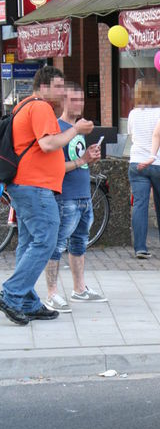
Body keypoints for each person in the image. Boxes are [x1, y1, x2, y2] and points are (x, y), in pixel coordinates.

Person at [0, 66, 94, 326]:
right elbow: (48, 143)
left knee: (29, 242)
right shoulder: (40, 106)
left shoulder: (26, 105)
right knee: (46, 240)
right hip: (34, 186)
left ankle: (27, 302)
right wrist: (76, 130)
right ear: (43, 86)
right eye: (58, 86)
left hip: (28, 185)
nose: (63, 92)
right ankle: (12, 293)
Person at [44, 83, 107, 313]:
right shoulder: (57, 128)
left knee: (79, 243)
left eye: (81, 100)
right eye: (73, 99)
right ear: (63, 101)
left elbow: (78, 160)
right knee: (56, 245)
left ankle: (79, 289)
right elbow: (55, 166)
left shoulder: (79, 129)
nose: (78, 104)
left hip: (84, 196)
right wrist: (82, 161)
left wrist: (90, 156)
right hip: (65, 198)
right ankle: (51, 294)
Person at [127, 78, 160, 259]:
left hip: (137, 162)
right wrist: (152, 156)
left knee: (140, 204)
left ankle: (140, 247)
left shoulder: (132, 114)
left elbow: (132, 137)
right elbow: (157, 133)